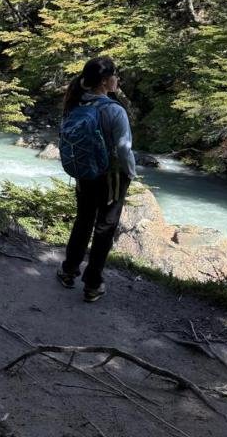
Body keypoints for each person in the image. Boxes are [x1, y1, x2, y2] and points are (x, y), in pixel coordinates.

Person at [56, 56, 136, 302]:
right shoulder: (114, 110)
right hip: (111, 178)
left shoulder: (75, 103)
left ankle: (69, 270)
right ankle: (92, 284)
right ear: (104, 81)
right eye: (115, 75)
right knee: (105, 228)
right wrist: (131, 173)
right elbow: (124, 149)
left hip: (84, 174)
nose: (117, 79)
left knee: (83, 220)